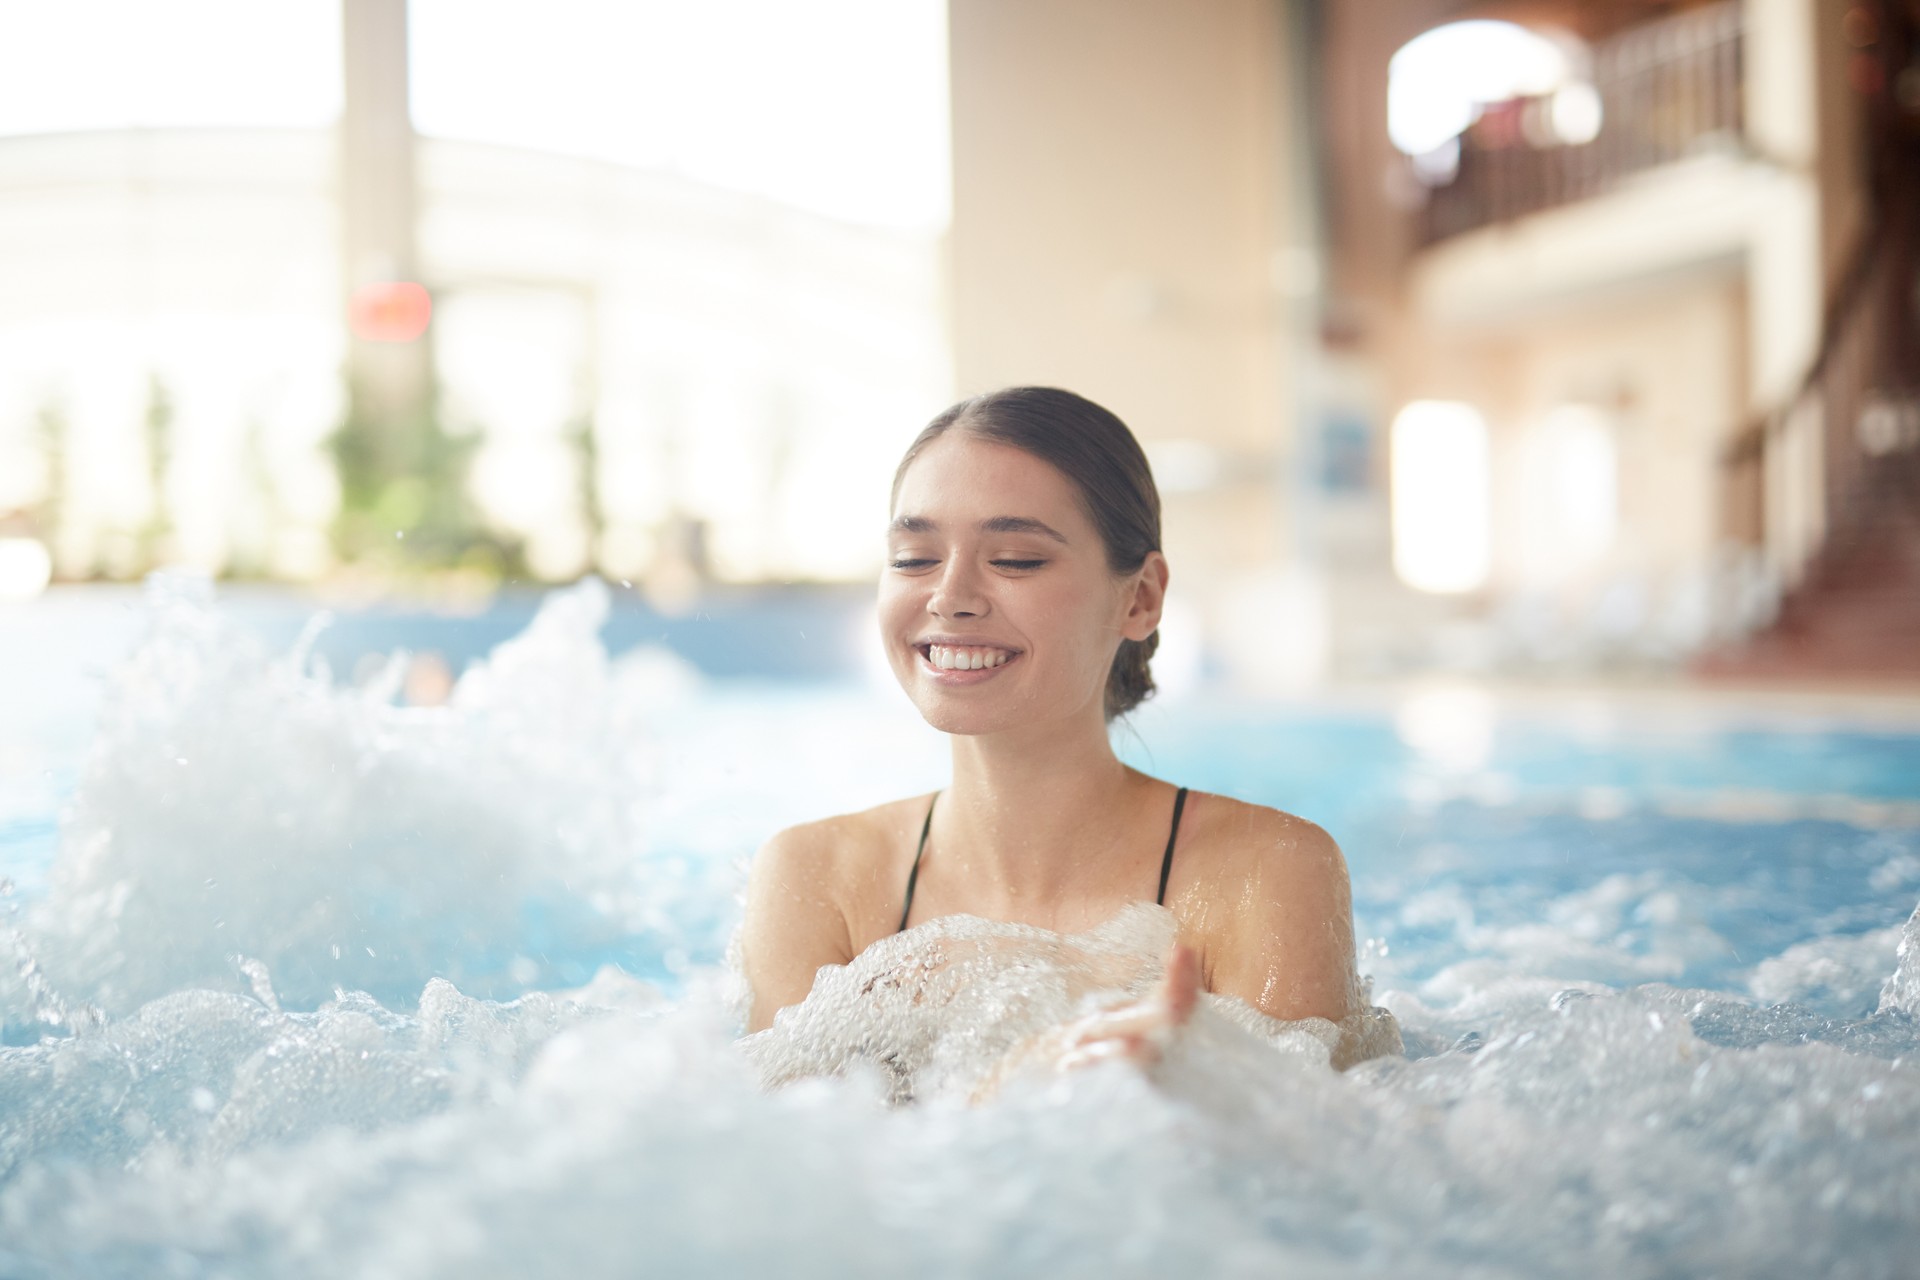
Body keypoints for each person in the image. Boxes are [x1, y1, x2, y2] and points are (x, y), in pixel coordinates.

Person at [737, 386, 1395, 1097]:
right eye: (913, 557)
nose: (949, 595)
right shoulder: (818, 878)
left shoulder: (1265, 873)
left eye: (1016, 559)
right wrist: (1021, 1089)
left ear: (1139, 598)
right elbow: (784, 1168)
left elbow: (1310, 1168)